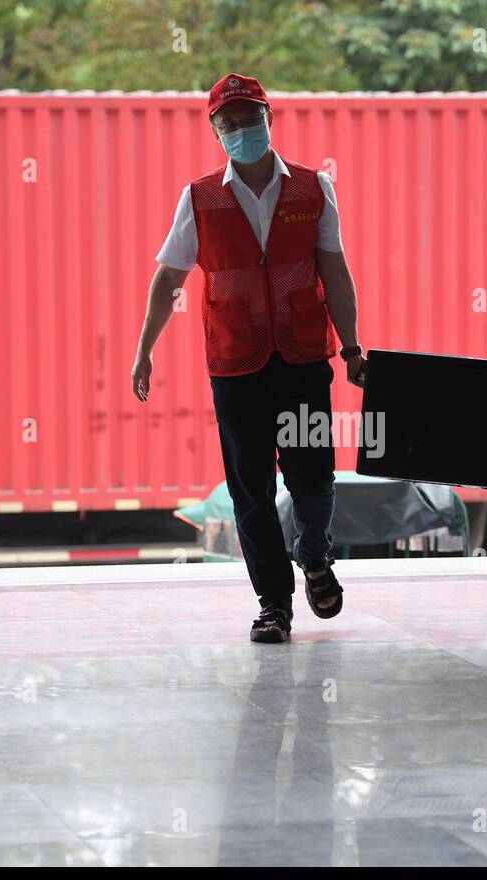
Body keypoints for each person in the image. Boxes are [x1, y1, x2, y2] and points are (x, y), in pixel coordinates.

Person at [132, 73, 366, 644]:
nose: (241, 131)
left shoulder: (314, 189)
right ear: (216, 131)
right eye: (228, 123)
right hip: (236, 366)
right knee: (250, 490)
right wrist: (145, 351)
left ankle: (313, 553)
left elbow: (334, 272)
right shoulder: (201, 198)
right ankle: (273, 606)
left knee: (313, 475)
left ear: (268, 119)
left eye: (249, 119)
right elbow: (168, 280)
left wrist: (354, 348)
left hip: (304, 358)